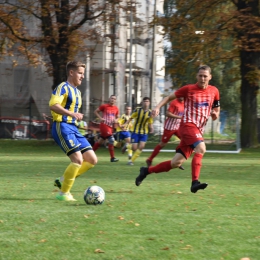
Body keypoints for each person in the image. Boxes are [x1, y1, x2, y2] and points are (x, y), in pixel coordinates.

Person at [135, 65, 220, 193]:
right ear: (197, 76)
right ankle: (194, 182)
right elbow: (169, 97)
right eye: (200, 75)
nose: (202, 78)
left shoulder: (214, 91)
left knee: (176, 163)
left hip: (198, 129)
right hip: (188, 125)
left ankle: (146, 171)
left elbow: (216, 110)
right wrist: (157, 107)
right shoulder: (189, 89)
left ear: (210, 77)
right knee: (201, 148)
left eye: (205, 76)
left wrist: (215, 114)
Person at [49, 61, 98, 201]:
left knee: (92, 160)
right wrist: (70, 114)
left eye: (83, 74)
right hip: (62, 126)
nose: (82, 76)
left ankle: (63, 179)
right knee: (77, 159)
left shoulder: (77, 92)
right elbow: (53, 105)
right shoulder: (62, 87)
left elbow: (66, 109)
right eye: (80, 73)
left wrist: (75, 116)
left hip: (74, 128)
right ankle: (63, 194)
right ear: (71, 72)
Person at [146, 98, 185, 171]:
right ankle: (149, 159)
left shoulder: (185, 103)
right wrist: (179, 117)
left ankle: (177, 160)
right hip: (169, 127)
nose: (182, 96)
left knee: (185, 141)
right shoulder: (174, 103)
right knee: (162, 144)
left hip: (177, 127)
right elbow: (168, 113)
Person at [124, 97, 154, 166]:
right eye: (145, 101)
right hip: (136, 131)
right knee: (134, 148)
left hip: (144, 132)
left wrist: (151, 128)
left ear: (149, 103)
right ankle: (127, 146)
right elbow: (130, 118)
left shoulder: (150, 112)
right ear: (142, 102)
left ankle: (131, 161)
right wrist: (125, 124)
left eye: (147, 101)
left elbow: (150, 122)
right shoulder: (137, 110)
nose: (146, 103)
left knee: (141, 147)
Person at [92, 95, 120, 162]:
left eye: (114, 99)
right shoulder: (104, 106)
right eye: (112, 98)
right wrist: (100, 118)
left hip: (110, 127)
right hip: (104, 125)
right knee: (111, 139)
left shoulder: (116, 108)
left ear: (115, 100)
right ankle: (112, 158)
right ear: (109, 99)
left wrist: (116, 120)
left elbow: (118, 116)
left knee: (100, 141)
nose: (113, 100)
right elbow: (95, 111)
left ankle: (89, 154)